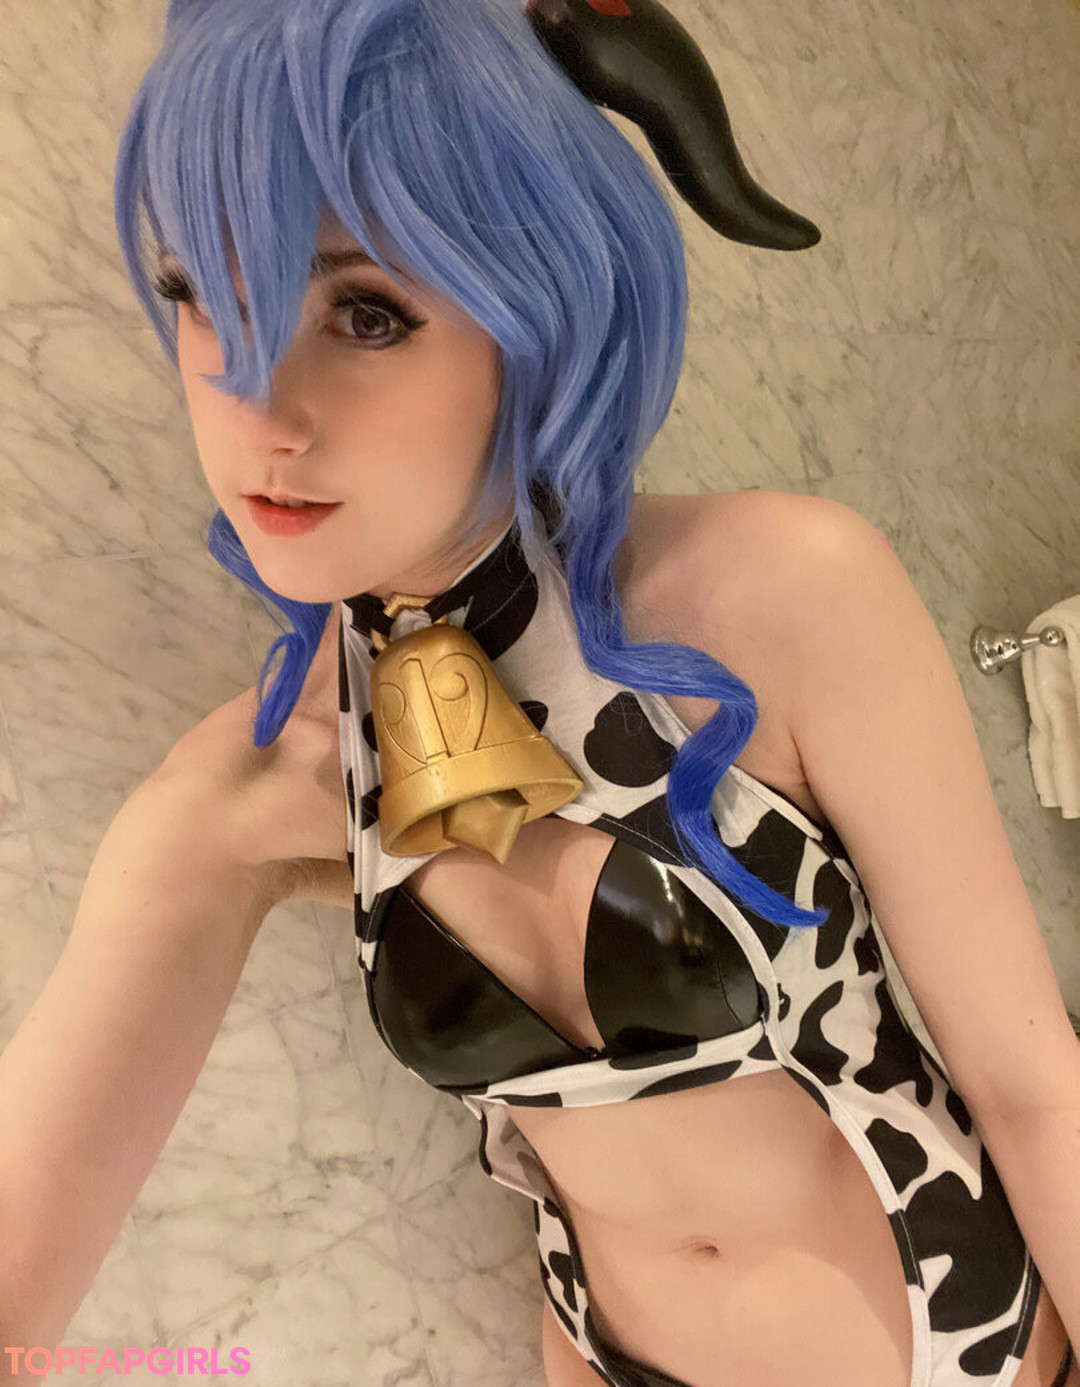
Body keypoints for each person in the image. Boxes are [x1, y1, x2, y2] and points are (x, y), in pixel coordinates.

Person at [0, 0, 1076, 1384]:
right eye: (202, 289)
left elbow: (1031, 1087)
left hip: (952, 1349)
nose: (258, 407)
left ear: (538, 310)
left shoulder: (787, 598)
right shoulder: (251, 790)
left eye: (366, 313)